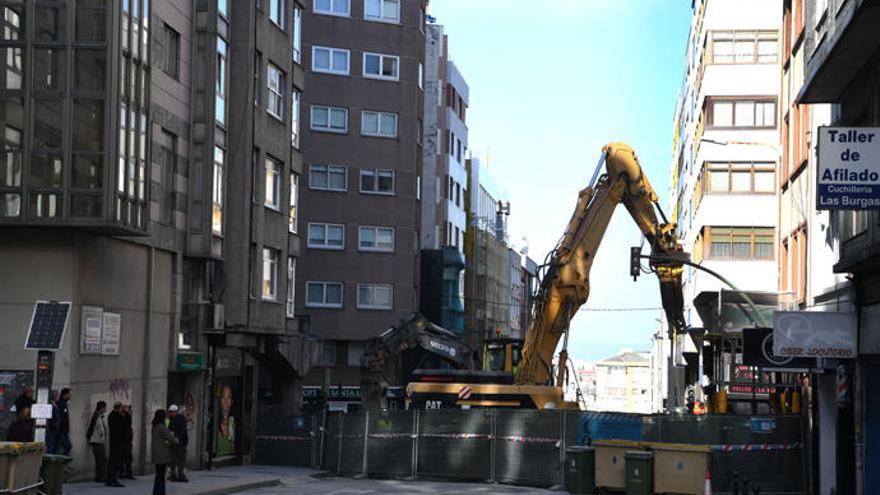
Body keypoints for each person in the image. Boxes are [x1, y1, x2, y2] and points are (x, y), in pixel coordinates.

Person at [151, 410, 178, 495]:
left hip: (156, 453)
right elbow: (171, 438)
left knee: (158, 475)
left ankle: (156, 492)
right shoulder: (162, 427)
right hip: (162, 454)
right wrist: (176, 440)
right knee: (161, 476)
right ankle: (160, 492)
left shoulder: (154, 426)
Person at [86, 401, 108, 483]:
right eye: (105, 407)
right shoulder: (96, 416)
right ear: (102, 408)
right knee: (101, 460)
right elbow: (92, 428)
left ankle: (100, 476)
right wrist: (89, 439)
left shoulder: (99, 416)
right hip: (97, 441)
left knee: (101, 460)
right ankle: (100, 477)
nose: (106, 409)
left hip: (99, 441)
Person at [105, 402, 125, 487]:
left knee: (113, 460)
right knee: (114, 460)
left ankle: (110, 479)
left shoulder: (111, 415)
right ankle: (112, 479)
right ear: (119, 408)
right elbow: (121, 428)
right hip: (117, 441)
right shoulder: (116, 416)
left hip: (114, 440)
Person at [167, 404, 189, 482]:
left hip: (175, 443)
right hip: (181, 443)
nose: (170, 413)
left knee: (173, 460)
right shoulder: (182, 419)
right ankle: (181, 476)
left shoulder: (172, 420)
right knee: (181, 461)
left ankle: (173, 476)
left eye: (171, 412)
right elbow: (184, 432)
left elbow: (170, 431)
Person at [217, 385, 235, 455]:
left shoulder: (233, 423)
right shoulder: (215, 423)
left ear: (232, 401)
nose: (225, 401)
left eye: (229, 397)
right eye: (223, 397)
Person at [120, 404, 135, 479]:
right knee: (123, 458)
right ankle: (122, 473)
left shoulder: (127, 418)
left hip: (128, 440)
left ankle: (127, 473)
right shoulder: (124, 417)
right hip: (124, 441)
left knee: (128, 458)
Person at [56, 388, 72, 456]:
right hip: (62, 430)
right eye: (69, 394)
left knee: (62, 447)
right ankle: (61, 463)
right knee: (67, 447)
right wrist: (63, 429)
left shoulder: (63, 404)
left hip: (63, 430)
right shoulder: (62, 404)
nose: (70, 396)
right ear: (65, 394)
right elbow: (62, 418)